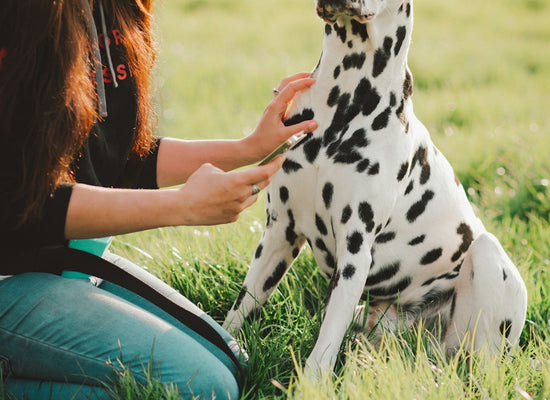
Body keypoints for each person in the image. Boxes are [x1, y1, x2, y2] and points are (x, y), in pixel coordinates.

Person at [0, 0, 317, 399]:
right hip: (9, 269)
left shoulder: (116, 9)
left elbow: (124, 159)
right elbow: (19, 203)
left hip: (60, 260)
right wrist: (182, 207)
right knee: (202, 388)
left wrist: (248, 148)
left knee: (231, 362)